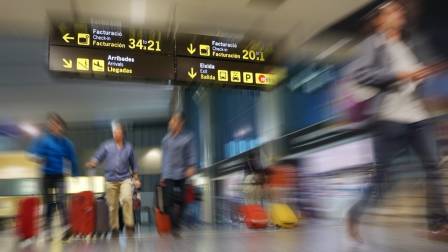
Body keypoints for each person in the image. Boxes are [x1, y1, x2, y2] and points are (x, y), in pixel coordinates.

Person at [346, 1, 448, 242]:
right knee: (382, 176)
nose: (399, 14)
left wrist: (421, 74)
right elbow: (362, 74)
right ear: (379, 20)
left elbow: (417, 74)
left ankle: (438, 225)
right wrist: (398, 75)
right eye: (392, 11)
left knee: (433, 167)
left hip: (418, 116)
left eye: (399, 11)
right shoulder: (373, 44)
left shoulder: (409, 44)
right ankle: (355, 213)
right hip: (389, 118)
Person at [85, 121, 141, 238]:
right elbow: (97, 157)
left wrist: (136, 179)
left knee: (127, 199)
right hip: (110, 179)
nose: (115, 133)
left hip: (125, 178)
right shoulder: (106, 145)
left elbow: (134, 165)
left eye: (118, 131)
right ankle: (114, 228)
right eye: (114, 131)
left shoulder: (129, 147)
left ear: (123, 133)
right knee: (113, 205)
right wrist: (93, 162)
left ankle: (129, 225)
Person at [28, 113, 79, 241]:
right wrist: (36, 158)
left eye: (56, 124)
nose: (53, 126)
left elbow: (72, 159)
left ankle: (66, 228)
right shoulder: (44, 140)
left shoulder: (66, 143)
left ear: (61, 126)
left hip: (59, 176)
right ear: (49, 126)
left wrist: (75, 173)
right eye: (51, 124)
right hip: (46, 176)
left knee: (62, 201)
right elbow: (34, 153)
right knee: (49, 203)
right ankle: (47, 231)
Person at [160, 112, 197, 238]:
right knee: (168, 202)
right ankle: (175, 227)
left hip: (182, 172)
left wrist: (191, 166)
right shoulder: (165, 140)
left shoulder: (188, 137)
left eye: (175, 121)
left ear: (181, 123)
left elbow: (191, 154)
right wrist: (163, 175)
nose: (171, 123)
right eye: (171, 121)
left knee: (183, 201)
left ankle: (178, 222)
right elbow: (164, 158)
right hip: (169, 174)